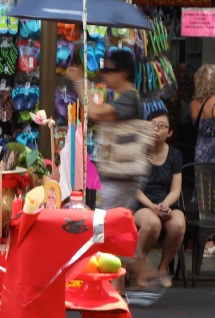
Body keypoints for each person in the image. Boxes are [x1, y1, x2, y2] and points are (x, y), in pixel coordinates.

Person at [68, 50, 143, 211]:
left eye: (110, 70)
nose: (105, 75)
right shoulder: (121, 97)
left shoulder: (129, 98)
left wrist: (81, 82)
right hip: (114, 176)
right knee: (107, 227)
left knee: (103, 228)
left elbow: (95, 112)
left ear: (124, 73)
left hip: (121, 179)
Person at [133, 110, 185, 289]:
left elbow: (176, 189)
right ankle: (140, 267)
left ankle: (163, 268)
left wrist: (165, 204)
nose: (156, 129)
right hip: (142, 203)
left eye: (162, 126)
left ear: (169, 132)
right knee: (152, 223)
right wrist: (153, 207)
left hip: (166, 203)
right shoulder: (138, 152)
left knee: (178, 223)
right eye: (153, 125)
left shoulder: (175, 155)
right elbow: (135, 189)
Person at [191, 64, 215, 256]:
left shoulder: (194, 103)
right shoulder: (214, 101)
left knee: (204, 196)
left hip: (200, 150)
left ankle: (206, 242)